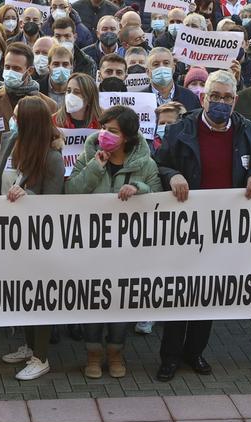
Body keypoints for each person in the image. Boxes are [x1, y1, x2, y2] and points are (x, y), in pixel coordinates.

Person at [154, 70, 251, 381]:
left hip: (223, 229)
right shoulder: (180, 130)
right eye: (214, 96)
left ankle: (194, 352)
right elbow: (159, 162)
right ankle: (170, 356)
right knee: (180, 293)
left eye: (227, 98)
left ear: (235, 101)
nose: (220, 103)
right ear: (203, 98)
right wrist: (171, 174)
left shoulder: (247, 130)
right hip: (185, 227)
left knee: (209, 293)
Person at [66, 104, 161, 379]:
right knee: (93, 300)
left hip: (127, 250)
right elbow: (71, 192)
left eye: (112, 131)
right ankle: (93, 353)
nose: (104, 134)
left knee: (121, 301)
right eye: (103, 128)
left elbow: (157, 199)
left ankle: (116, 351)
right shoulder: (90, 154)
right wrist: (96, 166)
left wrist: (139, 189)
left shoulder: (145, 164)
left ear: (128, 137)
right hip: (91, 246)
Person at [0, 97, 65, 381]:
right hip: (12, 234)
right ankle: (29, 345)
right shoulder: (12, 141)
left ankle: (42, 357)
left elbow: (54, 201)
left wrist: (28, 196)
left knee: (40, 298)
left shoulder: (52, 157)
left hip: (39, 239)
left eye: (16, 116)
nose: (12, 120)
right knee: (22, 294)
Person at [0, 42, 58, 167]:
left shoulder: (48, 105)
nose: (10, 72)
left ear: (29, 71)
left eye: (16, 69)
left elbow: (52, 144)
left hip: (34, 178)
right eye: (7, 67)